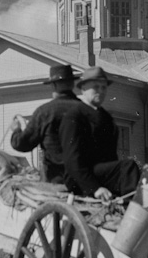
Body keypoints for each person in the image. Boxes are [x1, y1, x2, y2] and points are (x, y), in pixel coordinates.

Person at [58, 66, 140, 202]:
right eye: (96, 87)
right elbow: (72, 161)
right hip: (79, 179)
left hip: (101, 174)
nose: (101, 91)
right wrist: (94, 188)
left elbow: (111, 159)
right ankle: (132, 210)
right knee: (128, 167)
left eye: (104, 87)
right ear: (83, 88)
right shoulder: (74, 116)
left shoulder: (106, 118)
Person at [8, 64, 80, 183]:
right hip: (84, 181)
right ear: (72, 84)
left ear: (53, 85)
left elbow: (22, 144)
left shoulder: (45, 112)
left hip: (54, 180)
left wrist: (16, 130)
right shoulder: (86, 110)